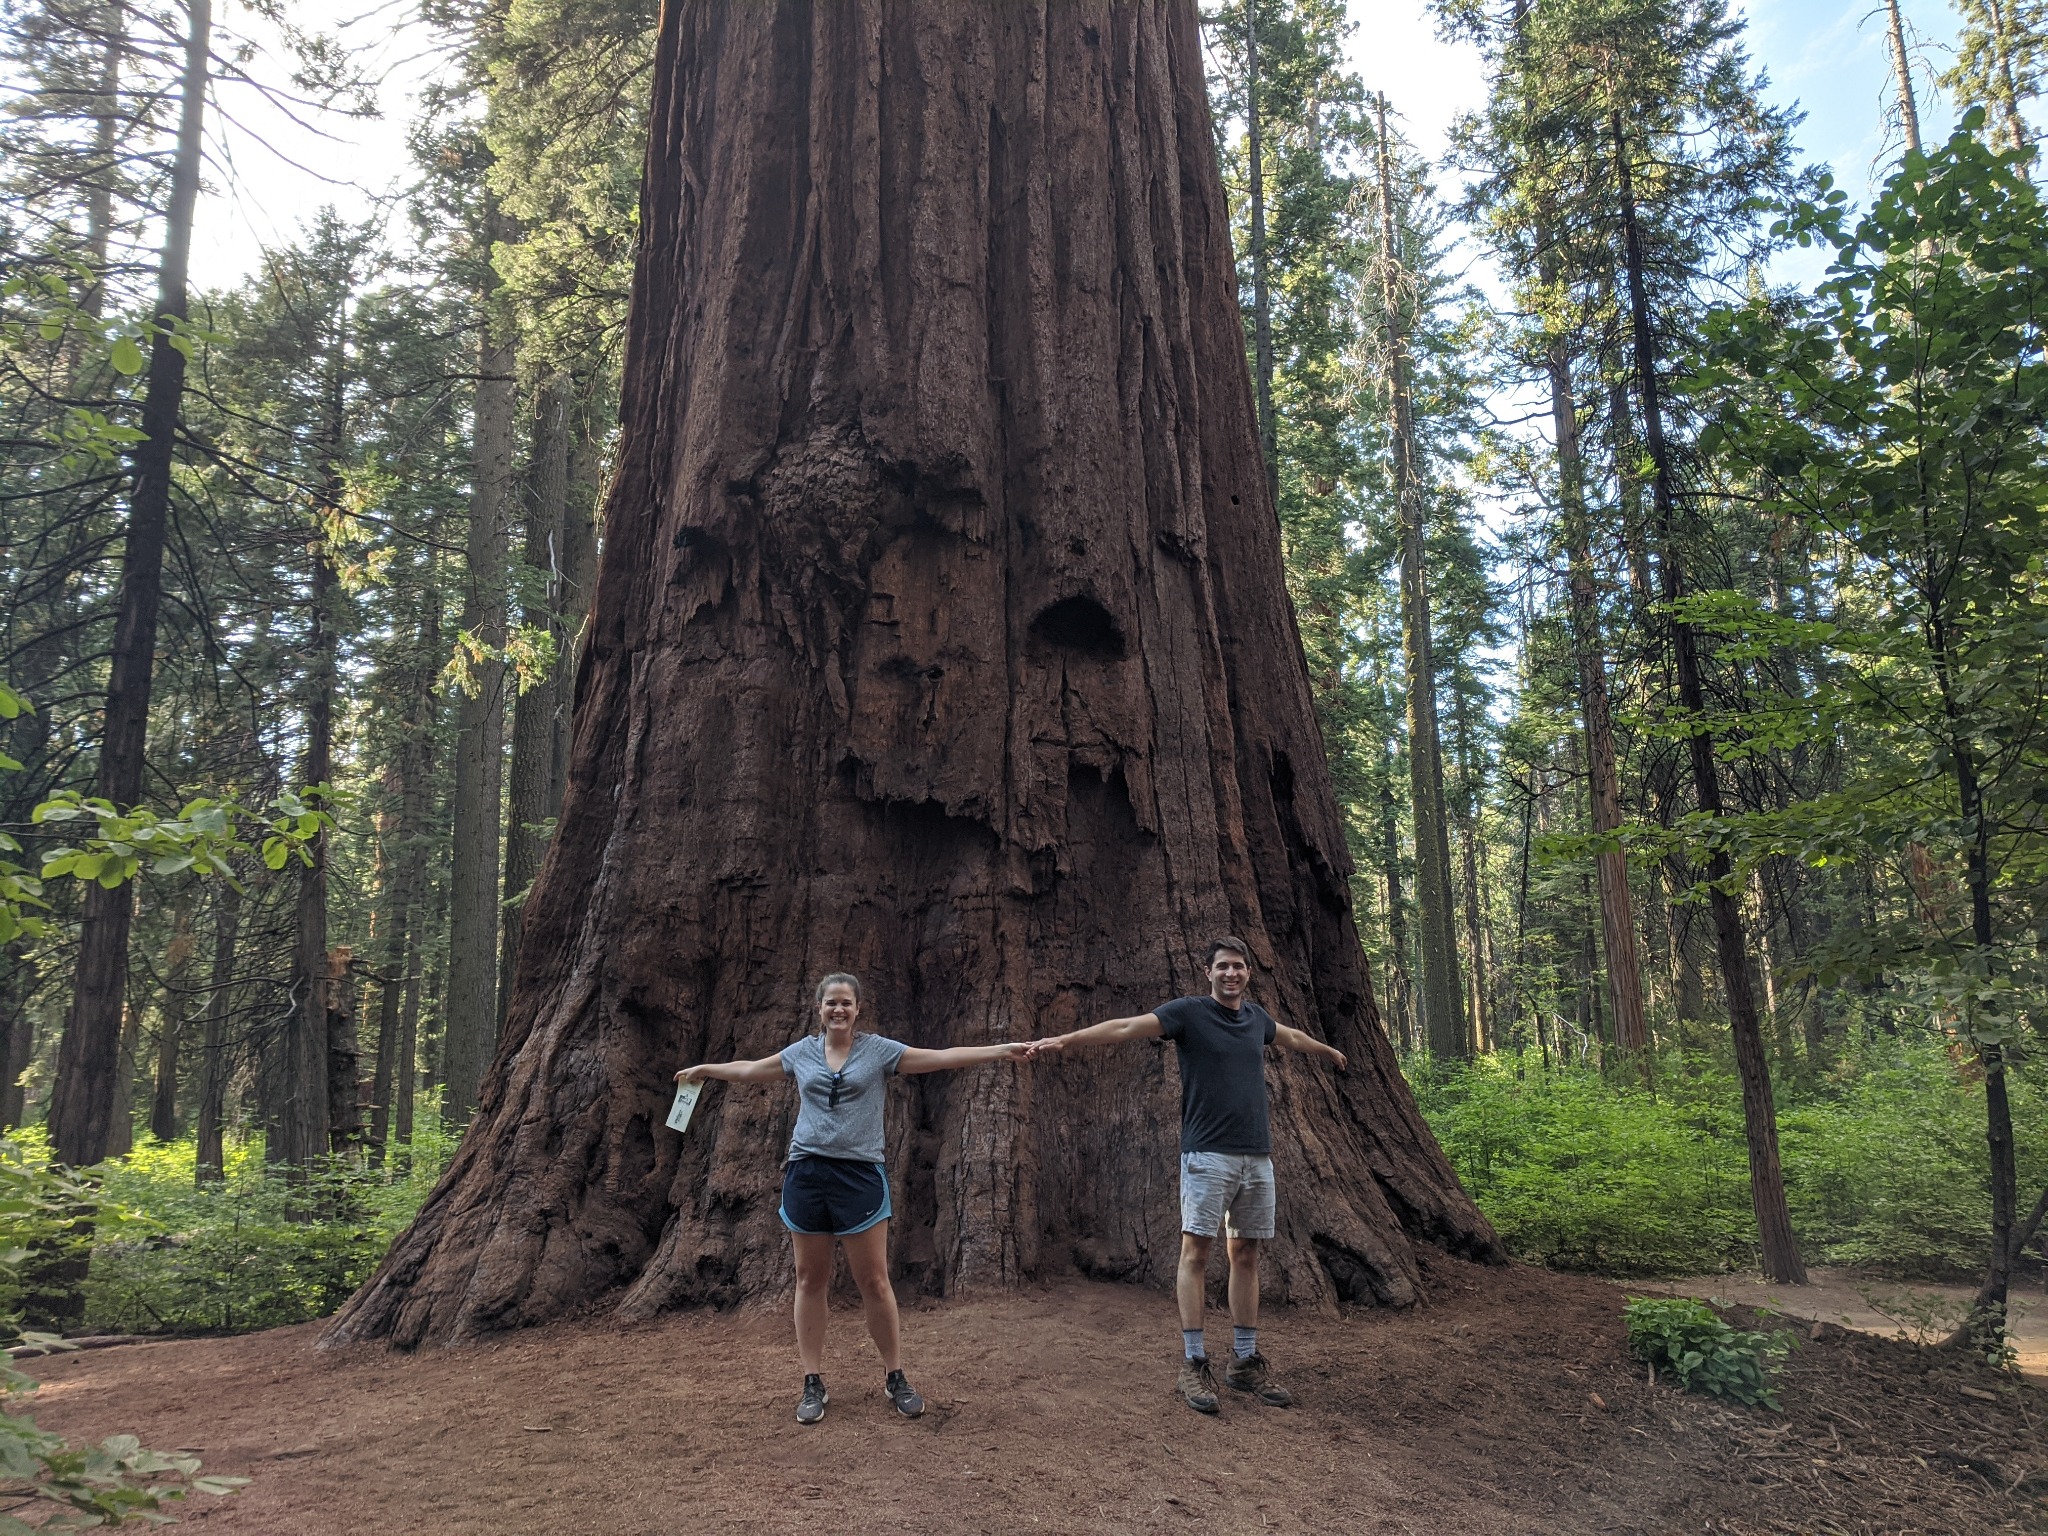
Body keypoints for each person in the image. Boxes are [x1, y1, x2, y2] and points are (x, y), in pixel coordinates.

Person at [676, 972, 1028, 1426]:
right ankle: (812, 1381)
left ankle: (895, 1375)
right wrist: (704, 1070)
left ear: (857, 1009)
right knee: (809, 1279)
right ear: (819, 1009)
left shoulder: (879, 1051)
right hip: (806, 1174)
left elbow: (940, 1058)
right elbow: (750, 1069)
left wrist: (1002, 1050)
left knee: (875, 1282)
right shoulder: (801, 1052)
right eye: (830, 1003)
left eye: (846, 1003)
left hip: (859, 1175)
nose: (838, 1010)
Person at [1026, 936, 1347, 1415]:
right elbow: (1126, 1027)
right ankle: (1194, 1361)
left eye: (1238, 967)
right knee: (1196, 1251)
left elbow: (1292, 1037)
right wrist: (1068, 1039)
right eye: (1222, 967)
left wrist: (1327, 1052)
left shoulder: (1256, 1018)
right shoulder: (1189, 1013)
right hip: (1206, 1155)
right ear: (1208, 972)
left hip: (1255, 1156)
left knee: (1247, 1255)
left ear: (1248, 973)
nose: (1231, 974)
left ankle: (1243, 1361)